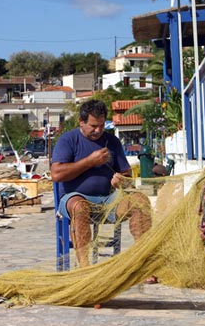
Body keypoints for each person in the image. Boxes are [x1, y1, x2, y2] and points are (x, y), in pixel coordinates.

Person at [51, 99, 153, 268]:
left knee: (140, 201)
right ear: (81, 122)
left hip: (109, 200)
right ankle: (85, 267)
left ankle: (143, 263)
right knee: (79, 206)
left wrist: (121, 180)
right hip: (75, 200)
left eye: (101, 125)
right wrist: (90, 161)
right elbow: (56, 174)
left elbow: (126, 174)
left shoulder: (112, 141)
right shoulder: (67, 140)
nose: (98, 130)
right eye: (93, 126)